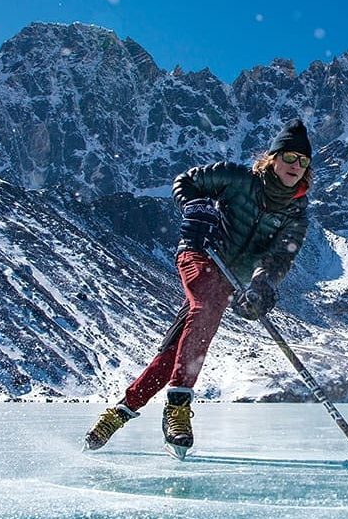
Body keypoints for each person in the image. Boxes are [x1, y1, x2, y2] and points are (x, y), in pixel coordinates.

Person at [84, 118, 312, 453]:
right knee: (205, 308)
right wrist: (196, 210)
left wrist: (262, 284)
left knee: (175, 352)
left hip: (229, 278)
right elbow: (188, 181)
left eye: (303, 161)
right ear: (273, 158)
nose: (295, 165)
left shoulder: (296, 214)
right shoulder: (237, 178)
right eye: (289, 157)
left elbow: (280, 258)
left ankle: (118, 413)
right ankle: (178, 406)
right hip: (200, 253)